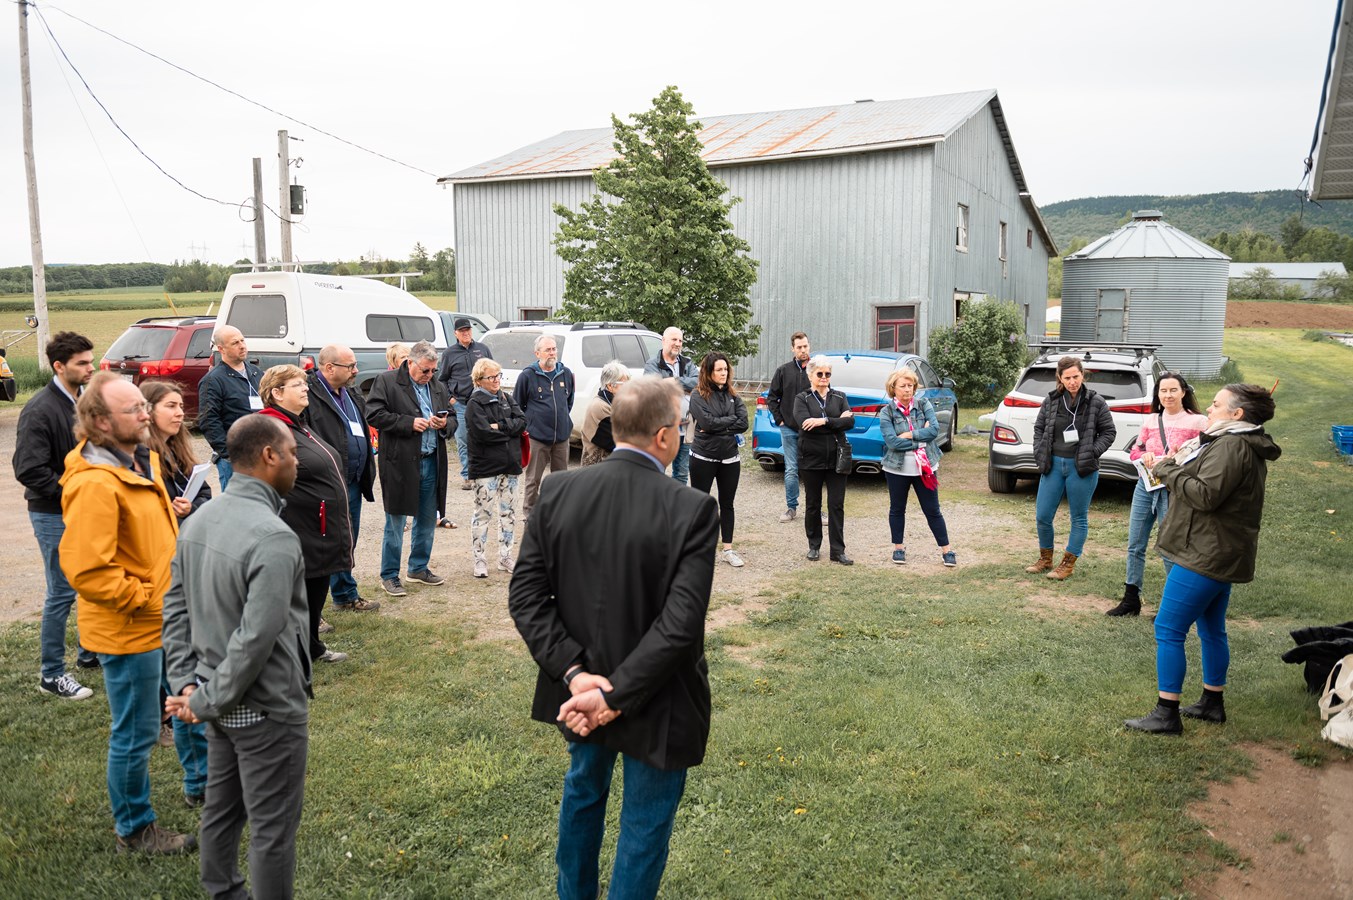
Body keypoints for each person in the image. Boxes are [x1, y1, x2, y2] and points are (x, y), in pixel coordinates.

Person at [508, 376, 720, 900]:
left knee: (583, 793)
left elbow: (525, 598)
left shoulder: (559, 489)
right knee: (641, 824)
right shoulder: (691, 507)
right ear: (666, 437)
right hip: (654, 693)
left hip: (584, 689)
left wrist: (579, 677)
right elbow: (680, 625)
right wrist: (607, 692)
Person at [162, 414, 311, 899]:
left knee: (222, 810)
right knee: (272, 830)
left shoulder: (201, 517)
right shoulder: (274, 536)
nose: (295, 460)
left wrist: (188, 685)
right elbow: (256, 638)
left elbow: (175, 608)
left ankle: (222, 891)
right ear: (269, 456)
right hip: (265, 708)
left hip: (217, 701)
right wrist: (204, 699)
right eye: (290, 451)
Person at [58, 373, 196, 854]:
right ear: (99, 422)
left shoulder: (143, 460)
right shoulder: (95, 483)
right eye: (133, 409)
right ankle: (135, 830)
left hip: (163, 618)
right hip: (129, 628)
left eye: (144, 405)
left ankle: (194, 786)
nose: (145, 414)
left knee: (175, 706)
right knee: (136, 732)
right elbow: (87, 570)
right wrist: (146, 599)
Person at [1124, 384, 1281, 735]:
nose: (1209, 409)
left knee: (1168, 628)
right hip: (1220, 550)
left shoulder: (1232, 445)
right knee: (1211, 628)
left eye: (1216, 404)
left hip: (1206, 552)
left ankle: (1167, 713)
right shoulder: (1234, 442)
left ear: (1236, 414)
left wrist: (1169, 469)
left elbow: (1206, 495)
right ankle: (1212, 703)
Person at [13, 330, 99, 699]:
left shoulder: (81, 401)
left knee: (92, 583)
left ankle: (89, 653)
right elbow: (28, 469)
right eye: (82, 363)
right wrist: (72, 493)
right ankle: (51, 674)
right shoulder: (40, 409)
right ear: (59, 366)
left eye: (91, 361)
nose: (90, 368)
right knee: (61, 591)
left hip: (85, 510)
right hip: (53, 514)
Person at [141, 380, 210, 800]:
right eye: (170, 406)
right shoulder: (141, 459)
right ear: (147, 411)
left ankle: (202, 774)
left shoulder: (182, 450)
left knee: (186, 665)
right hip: (161, 572)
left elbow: (204, 498)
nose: (180, 412)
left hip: (186, 559)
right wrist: (169, 508)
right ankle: (196, 778)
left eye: (180, 405)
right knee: (179, 668)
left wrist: (191, 507)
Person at [259, 365, 354, 665]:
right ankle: (288, 653)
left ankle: (311, 646)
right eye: (296, 385)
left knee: (315, 589)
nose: (305, 388)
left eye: (304, 383)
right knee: (296, 595)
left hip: (319, 525)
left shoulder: (297, 423)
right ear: (276, 393)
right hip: (297, 525)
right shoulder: (270, 429)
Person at [1106, 372, 1208, 617]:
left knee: (1169, 548)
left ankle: (1173, 606)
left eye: (1173, 390)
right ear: (1158, 394)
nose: (1168, 395)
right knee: (1135, 544)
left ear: (1184, 392)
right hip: (1146, 486)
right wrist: (1143, 456)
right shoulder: (1151, 419)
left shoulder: (1199, 422)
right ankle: (1131, 599)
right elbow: (1135, 450)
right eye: (1163, 391)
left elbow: (1205, 456)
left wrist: (1180, 456)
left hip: (1174, 489)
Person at [366, 341, 452, 597]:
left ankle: (418, 568)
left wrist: (444, 424)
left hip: (431, 460)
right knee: (396, 520)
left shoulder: (436, 385)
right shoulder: (388, 381)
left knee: (427, 518)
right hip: (401, 463)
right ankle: (389, 575)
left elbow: (454, 417)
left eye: (433, 370)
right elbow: (373, 414)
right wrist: (407, 423)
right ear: (410, 363)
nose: (429, 375)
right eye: (425, 370)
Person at [1025, 356, 1116, 581]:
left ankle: (1067, 563)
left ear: (1082, 375)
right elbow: (1039, 428)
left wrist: (1092, 451)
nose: (1072, 381)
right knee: (1043, 515)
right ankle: (1045, 559)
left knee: (1078, 517)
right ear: (1060, 378)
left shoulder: (1096, 402)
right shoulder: (1052, 400)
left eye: (1076, 376)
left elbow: (1109, 432)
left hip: (1081, 468)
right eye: (1068, 378)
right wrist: (1040, 452)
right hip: (1053, 464)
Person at [306, 345, 380, 614]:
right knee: (322, 544)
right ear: (329, 368)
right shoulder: (309, 394)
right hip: (325, 483)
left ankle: (345, 593)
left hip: (352, 480)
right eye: (350, 366)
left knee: (346, 541)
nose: (356, 371)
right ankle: (312, 610)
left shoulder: (349, 393)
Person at [879, 368, 956, 567]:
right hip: (897, 468)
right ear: (893, 388)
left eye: (910, 386)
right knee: (897, 509)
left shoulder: (923, 404)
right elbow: (892, 442)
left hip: (925, 466)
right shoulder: (886, 411)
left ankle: (946, 550)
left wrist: (911, 435)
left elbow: (934, 430)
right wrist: (921, 441)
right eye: (902, 386)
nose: (907, 390)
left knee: (932, 509)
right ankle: (898, 548)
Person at [466, 358, 528, 578]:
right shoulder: (475, 403)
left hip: (510, 465)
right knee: (483, 514)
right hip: (486, 468)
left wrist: (500, 426)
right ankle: (480, 560)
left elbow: (522, 422)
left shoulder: (506, 397)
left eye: (498, 376)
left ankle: (506, 556)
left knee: (508, 513)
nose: (496, 380)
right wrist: (508, 430)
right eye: (491, 377)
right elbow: (483, 433)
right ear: (479, 380)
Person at [688, 352, 749, 567]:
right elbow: (706, 422)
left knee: (727, 504)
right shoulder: (697, 396)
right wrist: (722, 424)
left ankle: (728, 550)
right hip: (703, 456)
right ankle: (698, 550)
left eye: (726, 369)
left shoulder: (734, 395)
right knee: (701, 503)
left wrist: (717, 425)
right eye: (719, 370)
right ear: (709, 372)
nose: (724, 373)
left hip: (730, 457)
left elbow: (743, 423)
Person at [793, 355, 855, 565]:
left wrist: (823, 421)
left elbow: (850, 422)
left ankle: (838, 550)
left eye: (827, 374)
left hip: (837, 458)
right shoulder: (802, 398)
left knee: (836, 505)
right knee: (813, 504)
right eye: (819, 373)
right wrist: (837, 421)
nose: (824, 377)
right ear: (811, 375)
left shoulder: (839, 396)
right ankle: (814, 545)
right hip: (811, 457)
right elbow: (803, 422)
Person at [515, 334, 574, 523]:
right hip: (537, 438)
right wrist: (531, 426)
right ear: (537, 353)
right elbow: (518, 405)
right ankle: (530, 515)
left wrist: (562, 421)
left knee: (560, 479)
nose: (552, 353)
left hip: (562, 438)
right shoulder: (527, 375)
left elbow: (568, 402)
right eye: (548, 349)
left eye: (554, 349)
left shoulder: (565, 373)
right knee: (533, 479)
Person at [198, 325, 264, 490]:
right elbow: (208, 420)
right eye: (235, 343)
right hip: (235, 459)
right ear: (221, 349)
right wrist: (228, 453)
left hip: (261, 453)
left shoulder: (256, 372)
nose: (242, 345)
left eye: (242, 340)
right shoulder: (213, 381)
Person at [438, 317, 493, 490]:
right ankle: (468, 475)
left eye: (468, 330)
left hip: (482, 403)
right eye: (462, 331)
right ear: (456, 334)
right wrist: (450, 400)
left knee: (484, 436)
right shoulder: (449, 354)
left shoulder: (483, 349)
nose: (466, 333)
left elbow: (494, 371)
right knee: (463, 439)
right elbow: (442, 380)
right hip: (460, 403)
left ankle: (484, 471)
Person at [766, 331, 812, 522]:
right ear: (793, 349)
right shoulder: (783, 371)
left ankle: (815, 508)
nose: (803, 350)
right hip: (789, 429)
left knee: (813, 470)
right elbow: (772, 398)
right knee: (791, 469)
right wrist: (780, 420)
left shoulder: (817, 370)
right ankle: (791, 508)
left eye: (805, 346)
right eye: (799, 347)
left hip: (812, 429)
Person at [643, 327, 698, 483]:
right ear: (664, 340)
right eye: (674, 339)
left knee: (681, 473)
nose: (678, 344)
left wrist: (673, 382)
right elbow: (654, 388)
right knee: (657, 471)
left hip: (686, 427)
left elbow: (697, 382)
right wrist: (685, 387)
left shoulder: (687, 362)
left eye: (680, 340)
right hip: (663, 428)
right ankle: (657, 505)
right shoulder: (652, 364)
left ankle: (676, 505)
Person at [580, 361, 630, 467]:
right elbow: (618, 441)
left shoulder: (615, 402)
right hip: (597, 468)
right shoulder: (599, 407)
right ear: (610, 386)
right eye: (624, 384)